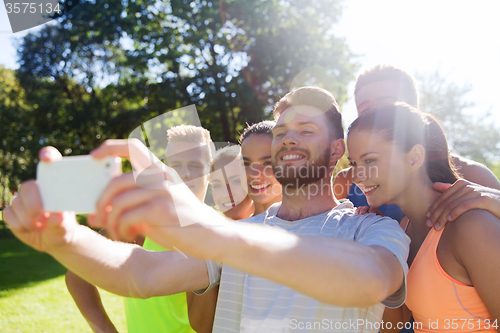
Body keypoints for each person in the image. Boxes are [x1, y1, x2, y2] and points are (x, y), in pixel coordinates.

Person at [5, 86, 410, 332]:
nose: (288, 139)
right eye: (282, 132)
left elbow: (371, 280)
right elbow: (141, 273)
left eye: (306, 130)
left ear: (337, 150)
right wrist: (65, 238)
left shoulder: (370, 230)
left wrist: (216, 234)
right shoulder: (240, 234)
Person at [346, 103, 500, 332]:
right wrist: (371, 247)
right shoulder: (402, 229)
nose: (357, 175)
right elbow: (392, 326)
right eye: (354, 163)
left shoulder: (470, 225)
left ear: (414, 158)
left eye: (369, 161)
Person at [66, 125, 214, 333]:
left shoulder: (222, 231)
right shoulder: (143, 223)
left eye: (195, 165)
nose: (185, 173)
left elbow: (206, 325)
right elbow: (77, 274)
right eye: (176, 164)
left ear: (211, 171)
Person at [333, 65, 500, 225]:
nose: (377, 117)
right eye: (366, 111)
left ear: (413, 112)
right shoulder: (346, 183)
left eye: (387, 106)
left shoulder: (469, 175)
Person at [240, 120, 283, 215]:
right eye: (246, 163)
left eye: (267, 163)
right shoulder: (233, 228)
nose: (255, 175)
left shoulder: (316, 226)